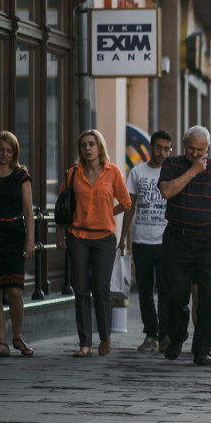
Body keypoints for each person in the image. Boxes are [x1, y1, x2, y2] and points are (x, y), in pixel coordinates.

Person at [159, 125, 211, 366]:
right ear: (183, 144)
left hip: (209, 241)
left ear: (207, 148)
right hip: (177, 238)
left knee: (210, 296)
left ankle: (203, 348)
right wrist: (192, 171)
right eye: (191, 148)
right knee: (175, 293)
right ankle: (178, 336)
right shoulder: (171, 165)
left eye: (200, 149)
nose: (196, 153)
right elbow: (167, 192)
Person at [57, 129, 130, 358]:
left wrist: (108, 212)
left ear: (100, 147)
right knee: (80, 290)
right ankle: (85, 343)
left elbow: (127, 203)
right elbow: (62, 207)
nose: (87, 148)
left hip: (104, 239)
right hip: (77, 237)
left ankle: (105, 337)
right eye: (84, 145)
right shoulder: (73, 173)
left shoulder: (113, 172)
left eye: (91, 144)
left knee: (101, 289)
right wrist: (60, 233)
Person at [0, 131, 35, 357]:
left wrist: (30, 240)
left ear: (15, 153)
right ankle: (1, 342)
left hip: (13, 234)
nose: (4, 154)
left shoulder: (21, 175)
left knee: (14, 290)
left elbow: (29, 210)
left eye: (9, 151)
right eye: (1, 149)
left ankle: (17, 337)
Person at [121, 129, 173, 353]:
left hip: (166, 242)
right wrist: (123, 237)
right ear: (151, 148)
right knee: (144, 291)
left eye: (166, 148)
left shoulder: (173, 173)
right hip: (142, 241)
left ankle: (165, 335)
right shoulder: (137, 172)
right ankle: (150, 334)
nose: (162, 152)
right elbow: (129, 206)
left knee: (165, 290)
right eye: (158, 147)